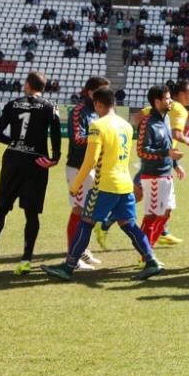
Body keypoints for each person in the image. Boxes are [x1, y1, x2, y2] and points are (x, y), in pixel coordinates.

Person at [43, 88, 163, 281]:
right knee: (129, 225)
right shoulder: (126, 125)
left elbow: (90, 161)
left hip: (104, 185)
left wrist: (76, 184)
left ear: (98, 104)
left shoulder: (98, 125)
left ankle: (68, 267)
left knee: (86, 222)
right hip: (124, 184)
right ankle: (151, 261)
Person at [0, 71, 61, 274]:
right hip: (37, 162)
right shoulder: (50, 106)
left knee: (1, 207)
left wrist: (15, 143)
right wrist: (55, 157)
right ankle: (25, 260)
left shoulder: (12, 104)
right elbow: (56, 134)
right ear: (42, 88)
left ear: (27, 84)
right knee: (32, 213)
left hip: (13, 160)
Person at [65, 75, 110, 269]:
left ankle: (83, 251)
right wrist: (99, 139)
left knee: (88, 211)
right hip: (78, 167)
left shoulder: (97, 112)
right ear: (91, 93)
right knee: (79, 210)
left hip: (93, 168)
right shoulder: (79, 112)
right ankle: (72, 257)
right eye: (103, 91)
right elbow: (77, 138)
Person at [136, 85, 185, 250]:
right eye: (167, 98)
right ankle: (145, 253)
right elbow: (142, 151)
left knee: (166, 212)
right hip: (153, 176)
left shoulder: (166, 119)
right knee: (152, 215)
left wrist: (176, 165)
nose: (170, 100)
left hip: (166, 174)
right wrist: (166, 153)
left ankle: (148, 247)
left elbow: (169, 145)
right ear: (157, 102)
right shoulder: (147, 123)